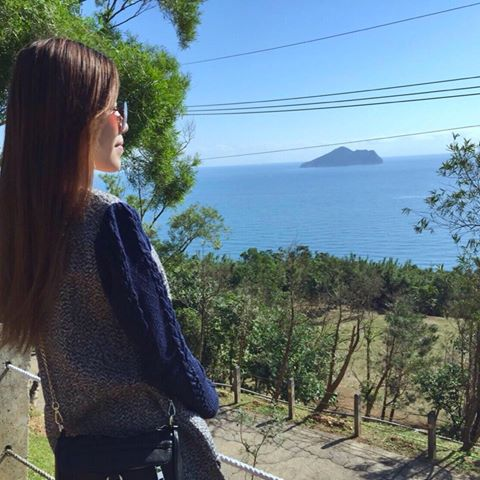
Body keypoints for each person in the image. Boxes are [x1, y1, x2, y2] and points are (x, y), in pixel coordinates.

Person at [0, 37, 224, 480]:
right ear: (74, 117)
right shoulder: (107, 220)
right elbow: (164, 350)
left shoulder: (21, 222)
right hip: (151, 452)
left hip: (79, 453)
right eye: (113, 107)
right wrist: (207, 398)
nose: (123, 122)